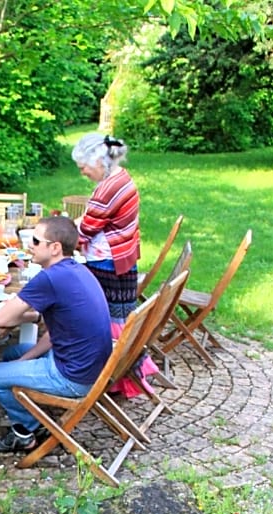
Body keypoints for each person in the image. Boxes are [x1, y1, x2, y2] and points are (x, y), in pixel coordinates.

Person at [0, 216, 112, 454]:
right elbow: (54, 333)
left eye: (36, 240)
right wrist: (25, 354)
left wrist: (17, 309)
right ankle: (29, 410)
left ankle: (26, 430)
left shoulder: (50, 277)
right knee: (12, 353)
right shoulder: (77, 269)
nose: (29, 245)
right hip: (91, 367)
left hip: (72, 377)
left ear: (55, 248)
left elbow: (1, 320)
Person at [71, 132, 158, 397]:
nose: (82, 172)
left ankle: (120, 377)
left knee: (107, 322)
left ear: (98, 161)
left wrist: (63, 235)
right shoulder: (122, 177)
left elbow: (85, 230)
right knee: (120, 320)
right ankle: (125, 376)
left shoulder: (108, 188)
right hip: (120, 259)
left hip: (107, 262)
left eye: (83, 166)